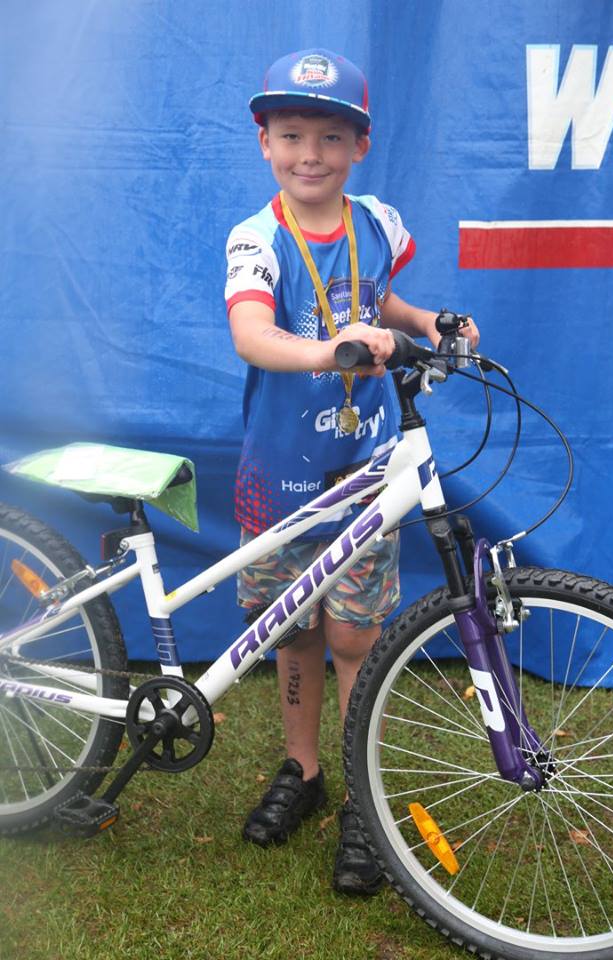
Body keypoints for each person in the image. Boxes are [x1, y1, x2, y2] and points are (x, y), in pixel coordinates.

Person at [224, 48, 479, 895]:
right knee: (290, 630)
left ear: (358, 146)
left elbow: (389, 308)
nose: (309, 153)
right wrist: (333, 348)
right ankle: (303, 771)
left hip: (365, 477)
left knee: (354, 637)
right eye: (291, 134)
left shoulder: (378, 221)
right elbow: (253, 335)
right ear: (265, 142)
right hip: (279, 482)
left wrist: (430, 319)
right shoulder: (257, 238)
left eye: (330, 137)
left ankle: (362, 799)